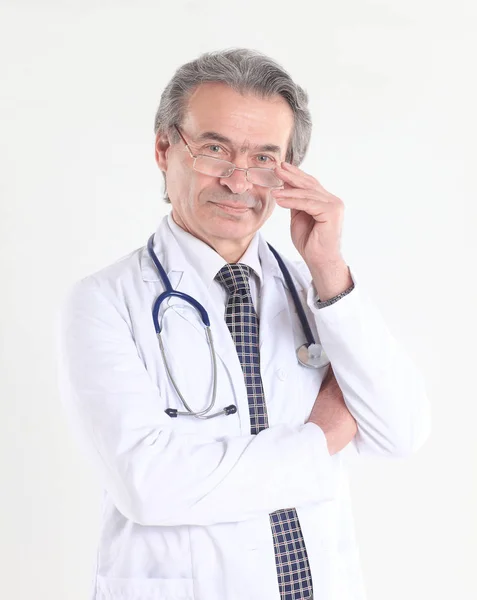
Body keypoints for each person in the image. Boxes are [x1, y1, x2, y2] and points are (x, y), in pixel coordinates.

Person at [57, 48, 431, 600]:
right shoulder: (103, 301)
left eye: (263, 159)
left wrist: (328, 266)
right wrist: (320, 437)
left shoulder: (319, 292)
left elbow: (400, 433)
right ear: (165, 149)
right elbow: (149, 485)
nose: (238, 180)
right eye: (214, 149)